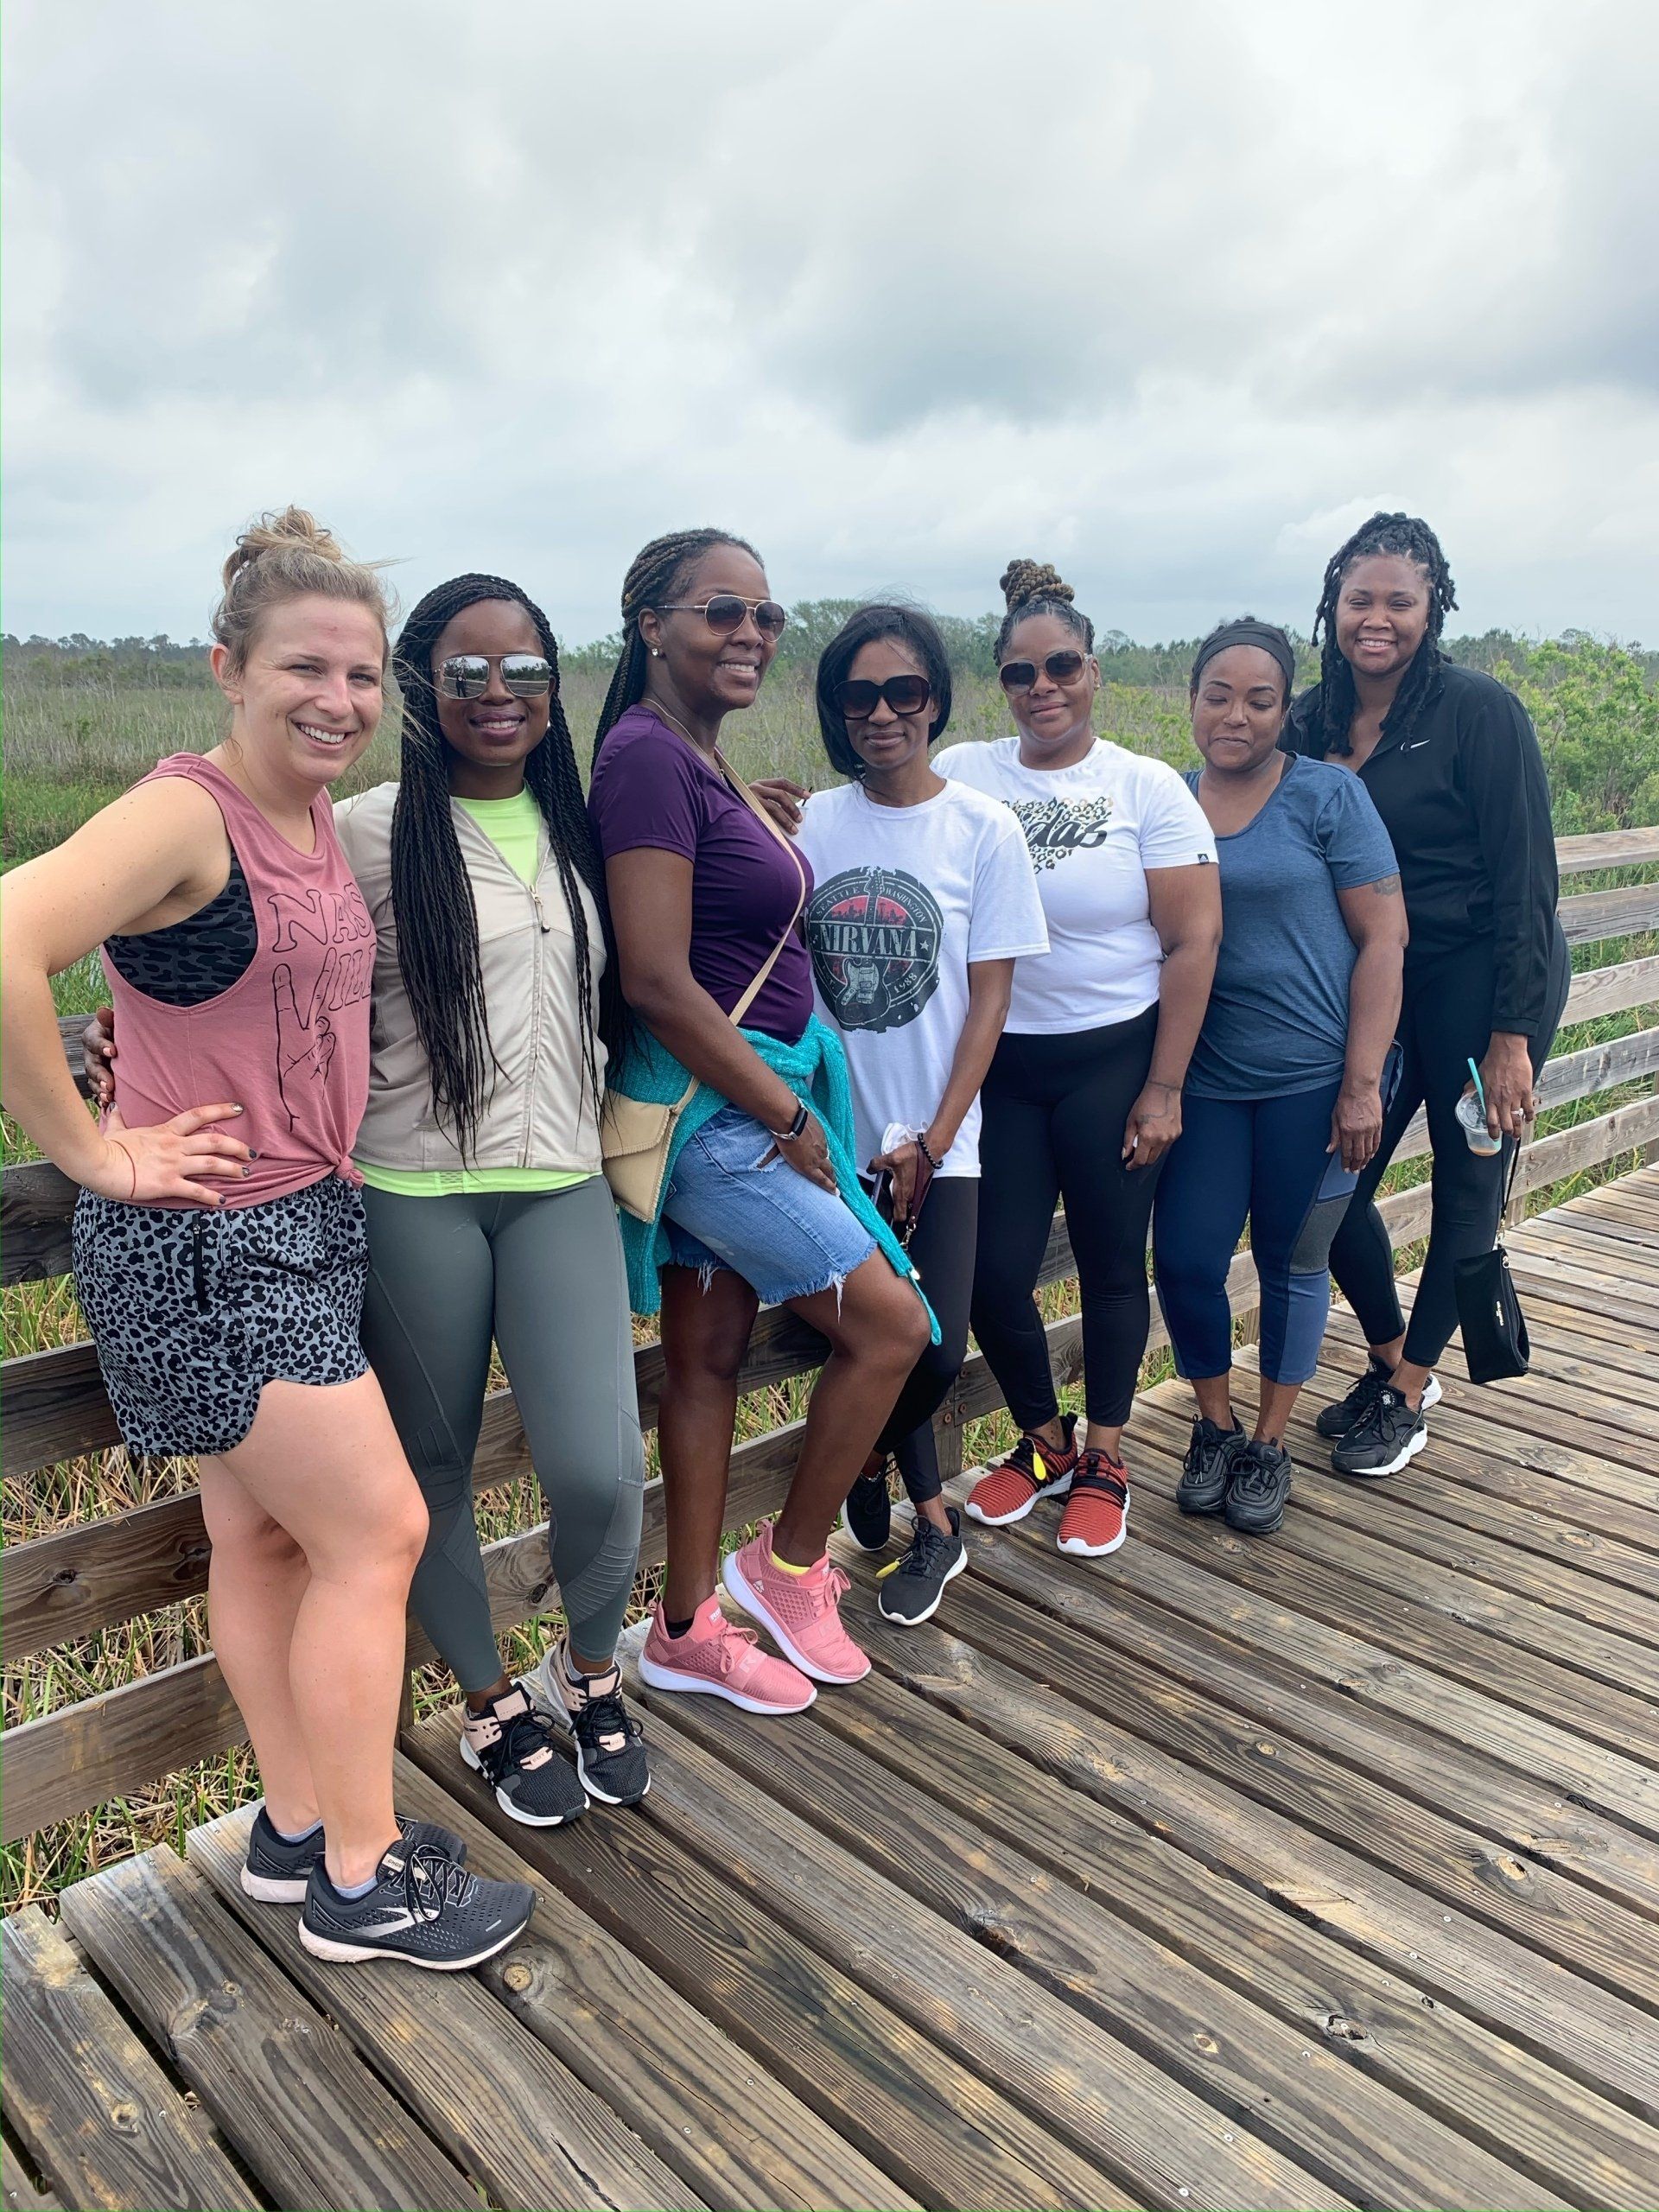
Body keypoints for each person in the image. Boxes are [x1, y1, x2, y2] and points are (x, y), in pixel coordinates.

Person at [4, 510, 531, 1969]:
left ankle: (301, 1832)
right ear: (229, 668)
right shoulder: (190, 810)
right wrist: (92, 1149)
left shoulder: (303, 821)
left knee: (264, 1535)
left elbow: (194, 991)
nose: (340, 703)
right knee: (381, 1531)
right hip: (213, 1247)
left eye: (365, 680)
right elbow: (5, 934)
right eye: (308, 668)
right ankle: (370, 1876)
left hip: (295, 1223)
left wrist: (132, 1046)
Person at [87, 574, 652, 1825]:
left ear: (559, 690)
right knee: (429, 1472)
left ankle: (592, 1666)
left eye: (522, 671)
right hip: (405, 1190)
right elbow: (224, 950)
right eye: (463, 672)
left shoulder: (593, 832)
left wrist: (772, 833)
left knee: (602, 1472)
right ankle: (492, 1702)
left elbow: (684, 935)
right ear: (420, 691)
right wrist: (113, 1063)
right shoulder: (361, 827)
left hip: (558, 1180)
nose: (496, 694)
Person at [588, 529, 933, 1711]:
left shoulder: (693, 759)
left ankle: (683, 1628)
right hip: (722, 1122)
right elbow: (655, 979)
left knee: (706, 1363)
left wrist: (754, 825)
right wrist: (786, 1111)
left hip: (733, 1106)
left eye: (766, 617)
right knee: (889, 1328)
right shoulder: (646, 756)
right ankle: (788, 1569)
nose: (751, 634)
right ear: (652, 628)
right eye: (721, 612)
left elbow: (711, 909)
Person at [937, 561, 1221, 1556]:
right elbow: (870, 815)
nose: (1043, 688)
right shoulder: (966, 771)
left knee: (1108, 1261)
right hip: (1003, 1063)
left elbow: (1193, 942)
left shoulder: (1146, 787)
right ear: (1002, 683)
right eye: (1021, 674)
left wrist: (1164, 1086)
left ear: (1093, 671)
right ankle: (1043, 1439)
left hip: (1114, 1056)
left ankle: (1105, 1453)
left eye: (1062, 667)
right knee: (990, 1275)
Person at [1282, 513, 1569, 1478]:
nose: (1377, 619)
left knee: (1465, 1184)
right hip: (1378, 982)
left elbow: (1529, 876)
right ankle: (1391, 1352)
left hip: (1481, 980)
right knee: (1329, 1181)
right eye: (1358, 599)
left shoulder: (1477, 712)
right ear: (1333, 606)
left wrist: (1514, 1035)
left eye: (1399, 601)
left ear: (1431, 607)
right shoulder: (1311, 720)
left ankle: (1408, 1393)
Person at [791, 603, 1047, 1623]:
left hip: (941, 1135)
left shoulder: (984, 829)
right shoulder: (807, 822)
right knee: (872, 1333)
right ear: (837, 709)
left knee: (936, 1341)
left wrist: (935, 1141)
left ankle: (862, 1460)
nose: (883, 713)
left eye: (905, 692)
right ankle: (930, 1519)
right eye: (860, 696)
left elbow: (990, 998)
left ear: (936, 699)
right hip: (825, 1136)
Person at [1152, 619, 1406, 1533]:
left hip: (1314, 1076)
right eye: (1217, 693)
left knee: (1291, 1260)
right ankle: (1212, 1427)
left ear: (1283, 708)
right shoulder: (1165, 801)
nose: (1236, 714)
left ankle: (1269, 1442)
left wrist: (1363, 1081)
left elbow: (1385, 938)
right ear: (1190, 700)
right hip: (1208, 1080)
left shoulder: (1327, 796)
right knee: (1183, 1258)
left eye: (1261, 699)